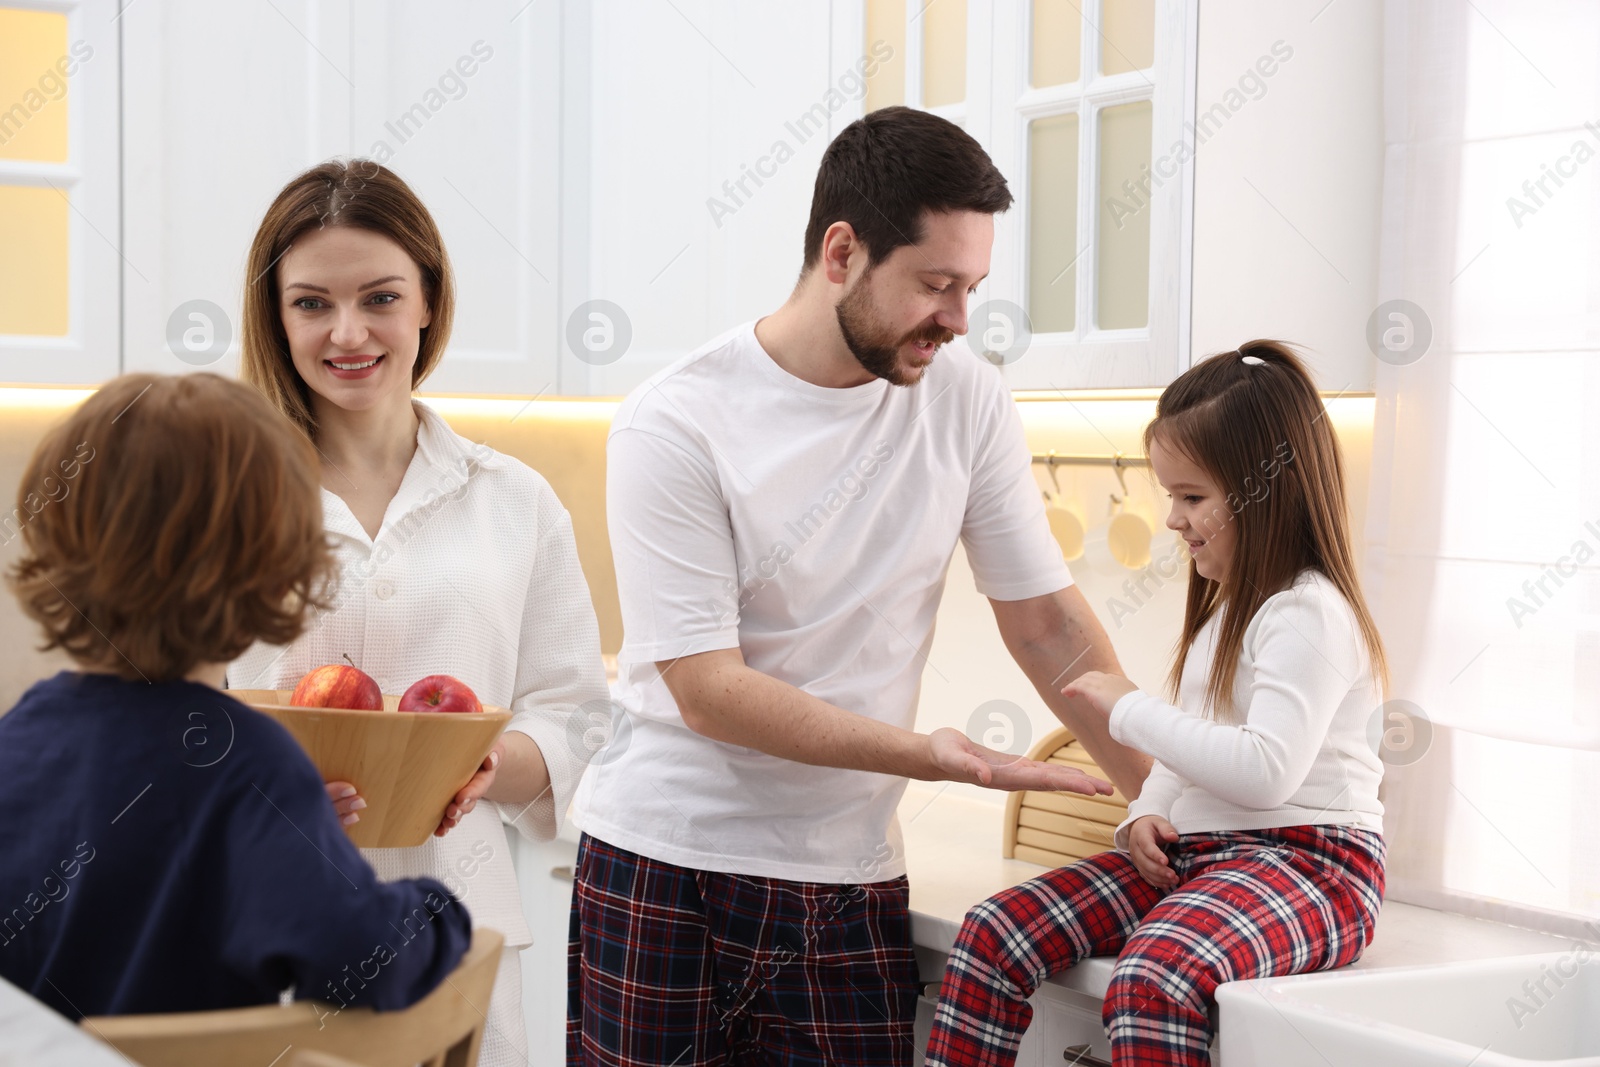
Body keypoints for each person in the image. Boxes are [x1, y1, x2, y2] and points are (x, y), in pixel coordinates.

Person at [567, 105, 1150, 1066]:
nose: (959, 319)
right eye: (935, 284)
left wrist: (1158, 796)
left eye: (972, 286)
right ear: (841, 252)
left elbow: (1045, 621)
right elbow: (708, 692)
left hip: (847, 878)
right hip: (667, 867)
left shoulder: (965, 400)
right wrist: (932, 756)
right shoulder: (674, 423)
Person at [230, 160, 609, 1066]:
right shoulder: (227, 497)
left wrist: (486, 763)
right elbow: (167, 714)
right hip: (269, 927)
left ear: (429, 301)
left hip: (460, 936)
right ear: (276, 317)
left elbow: (580, 714)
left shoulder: (513, 501)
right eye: (312, 303)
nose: (348, 332)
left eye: (381, 298)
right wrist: (255, 786)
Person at [924, 341, 1390, 1067]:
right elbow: (1195, 748)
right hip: (1210, 859)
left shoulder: (1309, 613)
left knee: (1153, 977)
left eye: (1192, 496)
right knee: (992, 932)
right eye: (1171, 495)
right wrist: (1149, 811)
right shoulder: (1227, 614)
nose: (1173, 517)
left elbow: (1267, 773)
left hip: (1315, 868)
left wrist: (1127, 708)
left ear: (1269, 489)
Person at [0, 373, 472, 1021]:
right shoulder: (247, 760)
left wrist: (283, 841)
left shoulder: (18, 737)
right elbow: (361, 959)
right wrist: (438, 909)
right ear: (275, 567)